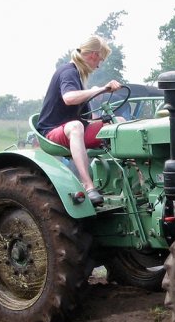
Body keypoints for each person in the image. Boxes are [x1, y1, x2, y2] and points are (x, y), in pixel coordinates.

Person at [36, 35, 122, 206]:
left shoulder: (79, 76)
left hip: (75, 129)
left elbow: (86, 117)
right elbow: (68, 98)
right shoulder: (68, 71)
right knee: (75, 127)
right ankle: (88, 185)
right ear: (93, 55)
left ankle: (135, 181)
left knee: (117, 123)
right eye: (101, 60)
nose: (99, 66)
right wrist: (100, 89)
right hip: (53, 131)